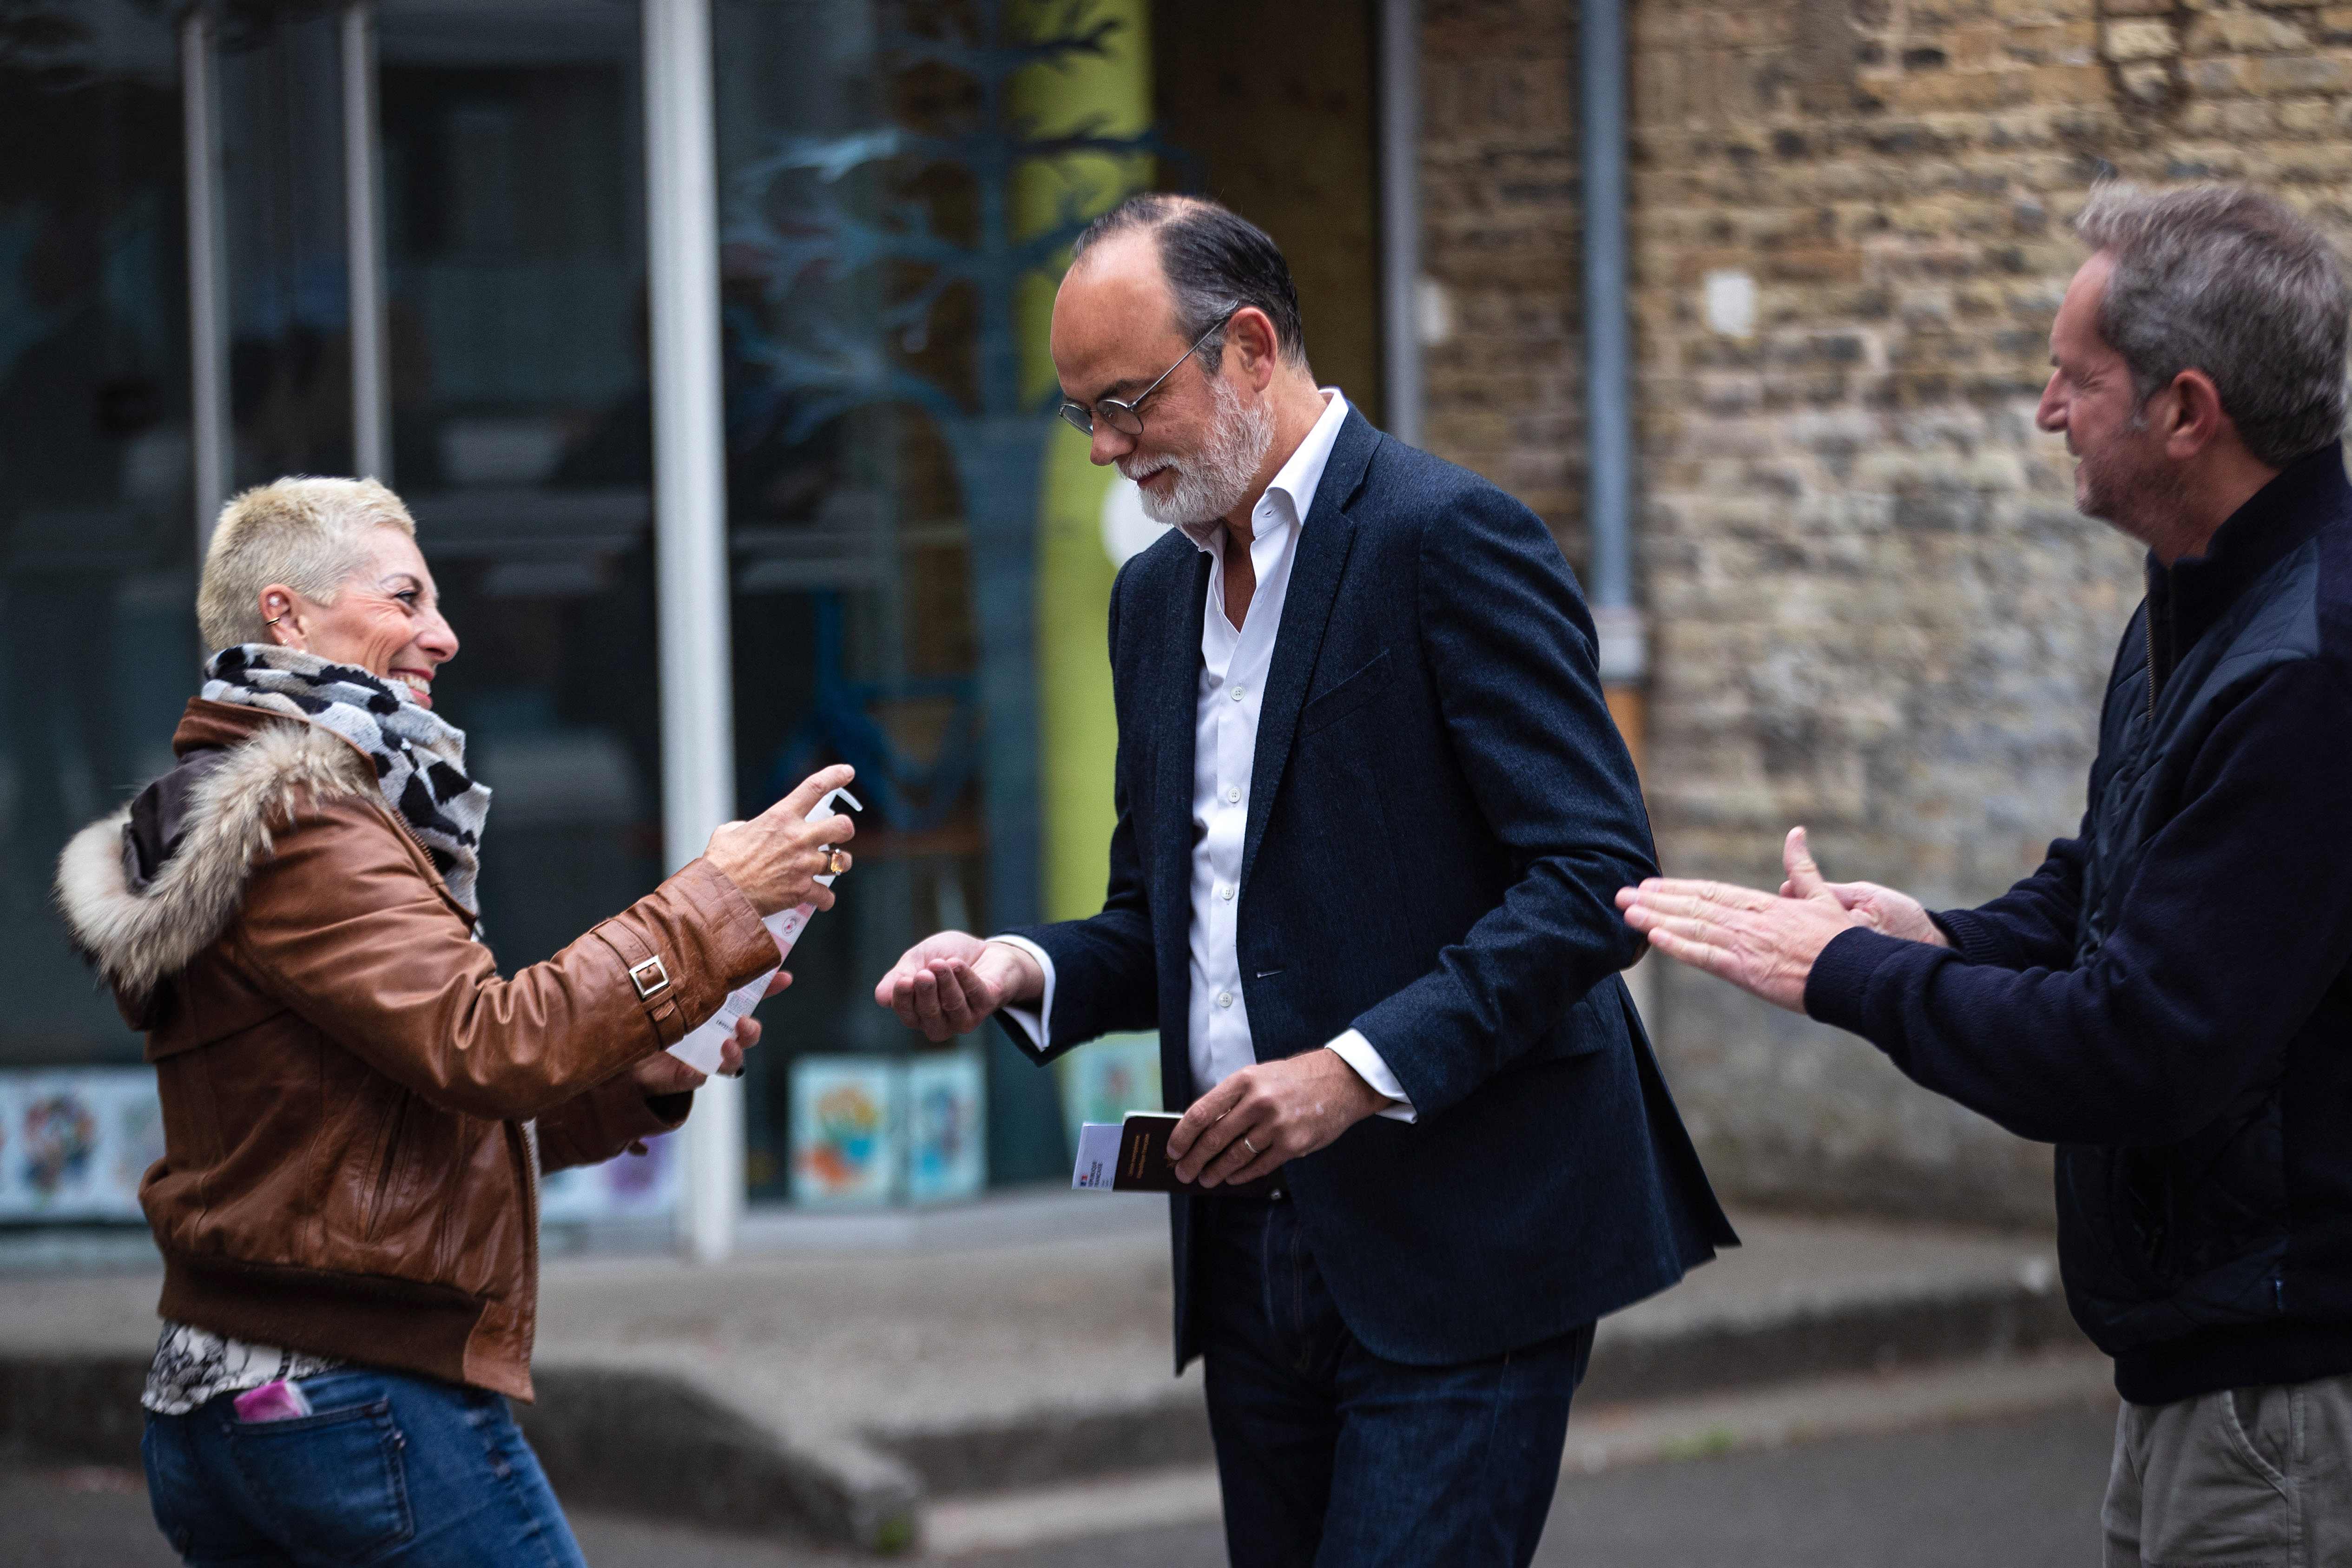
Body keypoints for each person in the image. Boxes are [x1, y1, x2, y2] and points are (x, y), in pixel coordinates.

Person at [876, 195, 1734, 1567]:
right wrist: (1013, 969)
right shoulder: (1148, 597)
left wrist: (1351, 1068)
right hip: (1243, 1250)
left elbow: (1591, 872)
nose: (1102, 447)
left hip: (1460, 1242)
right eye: (1075, 413)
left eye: (1125, 401)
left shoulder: (1447, 536)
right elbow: (1165, 919)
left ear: (1251, 347)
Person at [1616, 182, 2352, 1567]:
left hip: (2281, 1402)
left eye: (2072, 378)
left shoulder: (2304, 667)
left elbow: (2144, 1044)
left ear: (2185, 410)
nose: (2040, 409)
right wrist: (1931, 935)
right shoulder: (2201, 600)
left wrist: (1853, 977)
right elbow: (2109, 879)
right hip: (2203, 1376)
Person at [54, 476, 856, 1567]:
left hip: (230, 1397)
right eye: (404, 598)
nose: (443, 632)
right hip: (353, 1394)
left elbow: (395, 1122)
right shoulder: (306, 813)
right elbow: (485, 1047)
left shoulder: (273, 811)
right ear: (284, 614)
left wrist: (645, 1067)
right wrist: (711, 898)